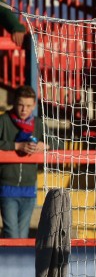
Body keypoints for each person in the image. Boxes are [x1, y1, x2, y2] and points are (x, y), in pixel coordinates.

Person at [0, 85, 47, 238]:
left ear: (34, 105)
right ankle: (8, 262)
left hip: (29, 188)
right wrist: (16, 146)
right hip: (7, 187)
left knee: (23, 234)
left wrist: (45, 144)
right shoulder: (3, 120)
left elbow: (57, 141)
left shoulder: (38, 123)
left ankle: (18, 262)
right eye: (20, 104)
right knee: (12, 234)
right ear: (14, 102)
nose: (24, 109)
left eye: (28, 106)